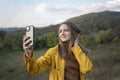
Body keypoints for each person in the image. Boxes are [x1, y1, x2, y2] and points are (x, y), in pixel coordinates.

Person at [23, 21, 93, 80]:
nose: (62, 33)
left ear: (73, 33)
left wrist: (76, 47)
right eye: (60, 31)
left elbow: (87, 68)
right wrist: (28, 55)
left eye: (66, 30)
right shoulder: (53, 52)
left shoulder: (78, 51)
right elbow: (35, 69)